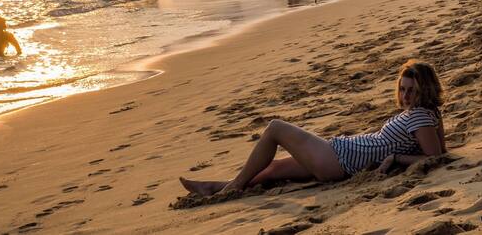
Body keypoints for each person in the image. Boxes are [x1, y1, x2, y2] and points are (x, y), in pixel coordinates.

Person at [179, 60, 446, 197]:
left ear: (425, 89)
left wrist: (398, 158)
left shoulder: (420, 116)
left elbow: (435, 157)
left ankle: (231, 187)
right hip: (340, 155)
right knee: (273, 169)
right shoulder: (425, 113)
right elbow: (439, 146)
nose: (406, 95)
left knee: (274, 128)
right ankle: (216, 187)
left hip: (340, 160)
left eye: (412, 90)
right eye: (403, 89)